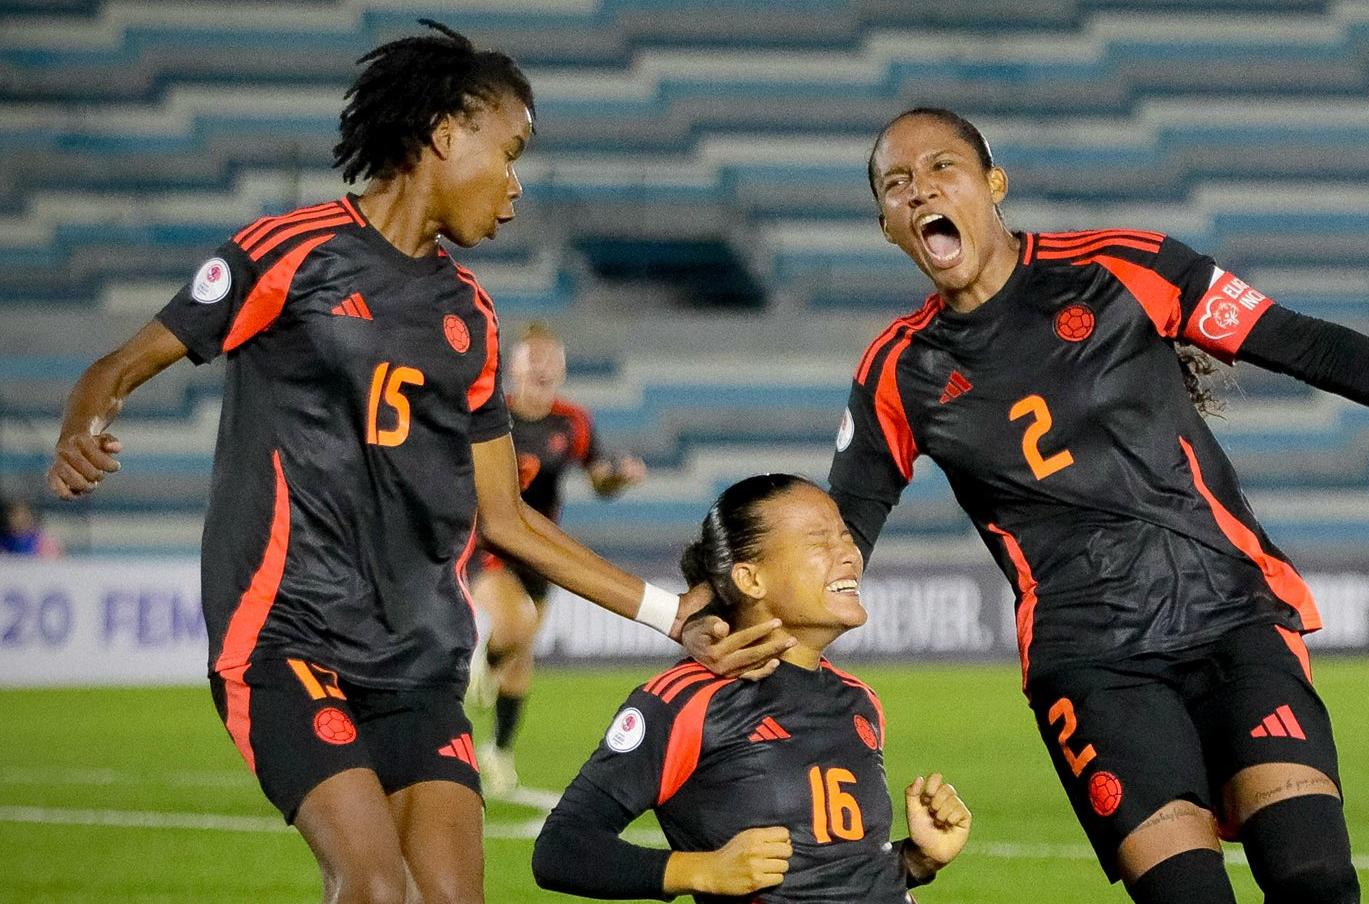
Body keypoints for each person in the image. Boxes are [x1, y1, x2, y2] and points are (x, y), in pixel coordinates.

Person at [44, 21, 780, 904]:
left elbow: (505, 519)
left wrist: (673, 615)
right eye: (508, 155)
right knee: (373, 887)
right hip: (285, 640)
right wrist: (87, 417)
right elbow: (119, 365)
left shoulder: (469, 318)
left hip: (418, 658)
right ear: (444, 134)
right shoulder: (290, 252)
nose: (514, 191)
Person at [831, 107, 1369, 904]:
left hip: (1232, 613)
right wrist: (746, 610)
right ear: (887, 226)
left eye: (942, 167)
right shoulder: (900, 373)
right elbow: (840, 535)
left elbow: (1300, 341)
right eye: (898, 185)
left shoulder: (1122, 265)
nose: (920, 191)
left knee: (1314, 876)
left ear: (993, 184)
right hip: (1092, 659)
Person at [533, 474, 972, 902]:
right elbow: (561, 849)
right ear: (750, 579)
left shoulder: (860, 700)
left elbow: (832, 873)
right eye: (821, 542)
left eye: (844, 536)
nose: (849, 554)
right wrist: (700, 871)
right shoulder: (686, 700)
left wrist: (914, 861)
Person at [470, 321, 648, 793]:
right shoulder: (493, 416)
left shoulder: (572, 422)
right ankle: (480, 669)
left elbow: (598, 479)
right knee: (515, 624)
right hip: (490, 542)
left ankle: (499, 750)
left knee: (523, 651)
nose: (544, 369)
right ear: (515, 366)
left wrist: (619, 478)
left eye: (552, 360)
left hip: (540, 549)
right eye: (535, 359)